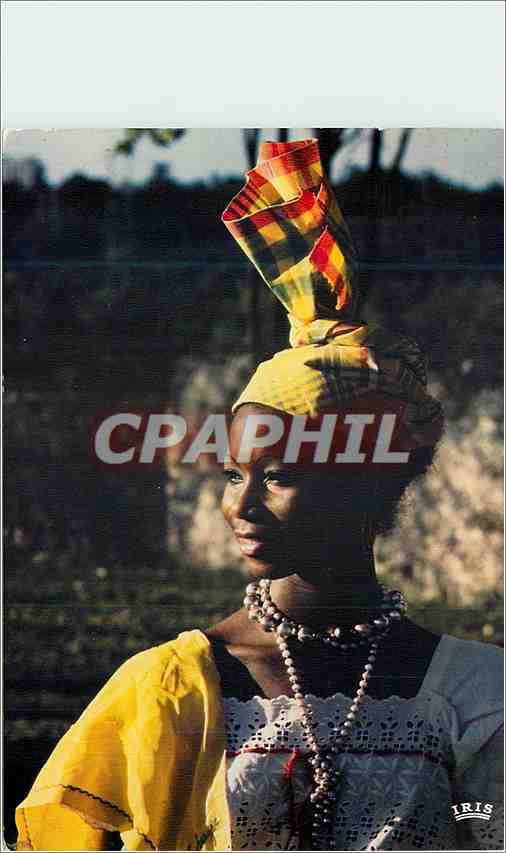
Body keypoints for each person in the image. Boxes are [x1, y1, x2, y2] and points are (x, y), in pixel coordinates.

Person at [15, 139, 503, 851]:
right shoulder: (176, 690)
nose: (239, 506)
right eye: (232, 474)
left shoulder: (474, 695)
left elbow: (485, 830)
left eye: (277, 476)